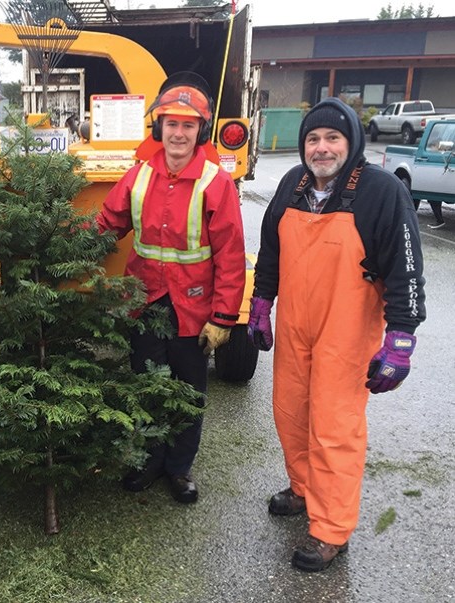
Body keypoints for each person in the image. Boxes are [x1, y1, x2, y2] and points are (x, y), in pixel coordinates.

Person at [248, 97, 426, 572]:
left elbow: (406, 271)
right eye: (313, 139)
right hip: (296, 325)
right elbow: (270, 252)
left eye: (332, 138)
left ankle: (331, 529)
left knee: (334, 428)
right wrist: (261, 302)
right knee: (290, 412)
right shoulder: (292, 184)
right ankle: (304, 488)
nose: (321, 148)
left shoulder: (382, 192)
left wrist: (401, 339)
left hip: (346, 332)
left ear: (351, 143)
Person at [97, 72, 246, 504]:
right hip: (146, 302)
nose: (178, 133)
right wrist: (66, 243)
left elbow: (231, 258)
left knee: (188, 390)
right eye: (171, 124)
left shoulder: (216, 183)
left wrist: (222, 318)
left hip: (193, 308)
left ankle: (179, 469)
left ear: (200, 131)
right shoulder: (139, 175)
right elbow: (108, 223)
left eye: (188, 125)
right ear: (158, 127)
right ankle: (148, 462)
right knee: (146, 385)